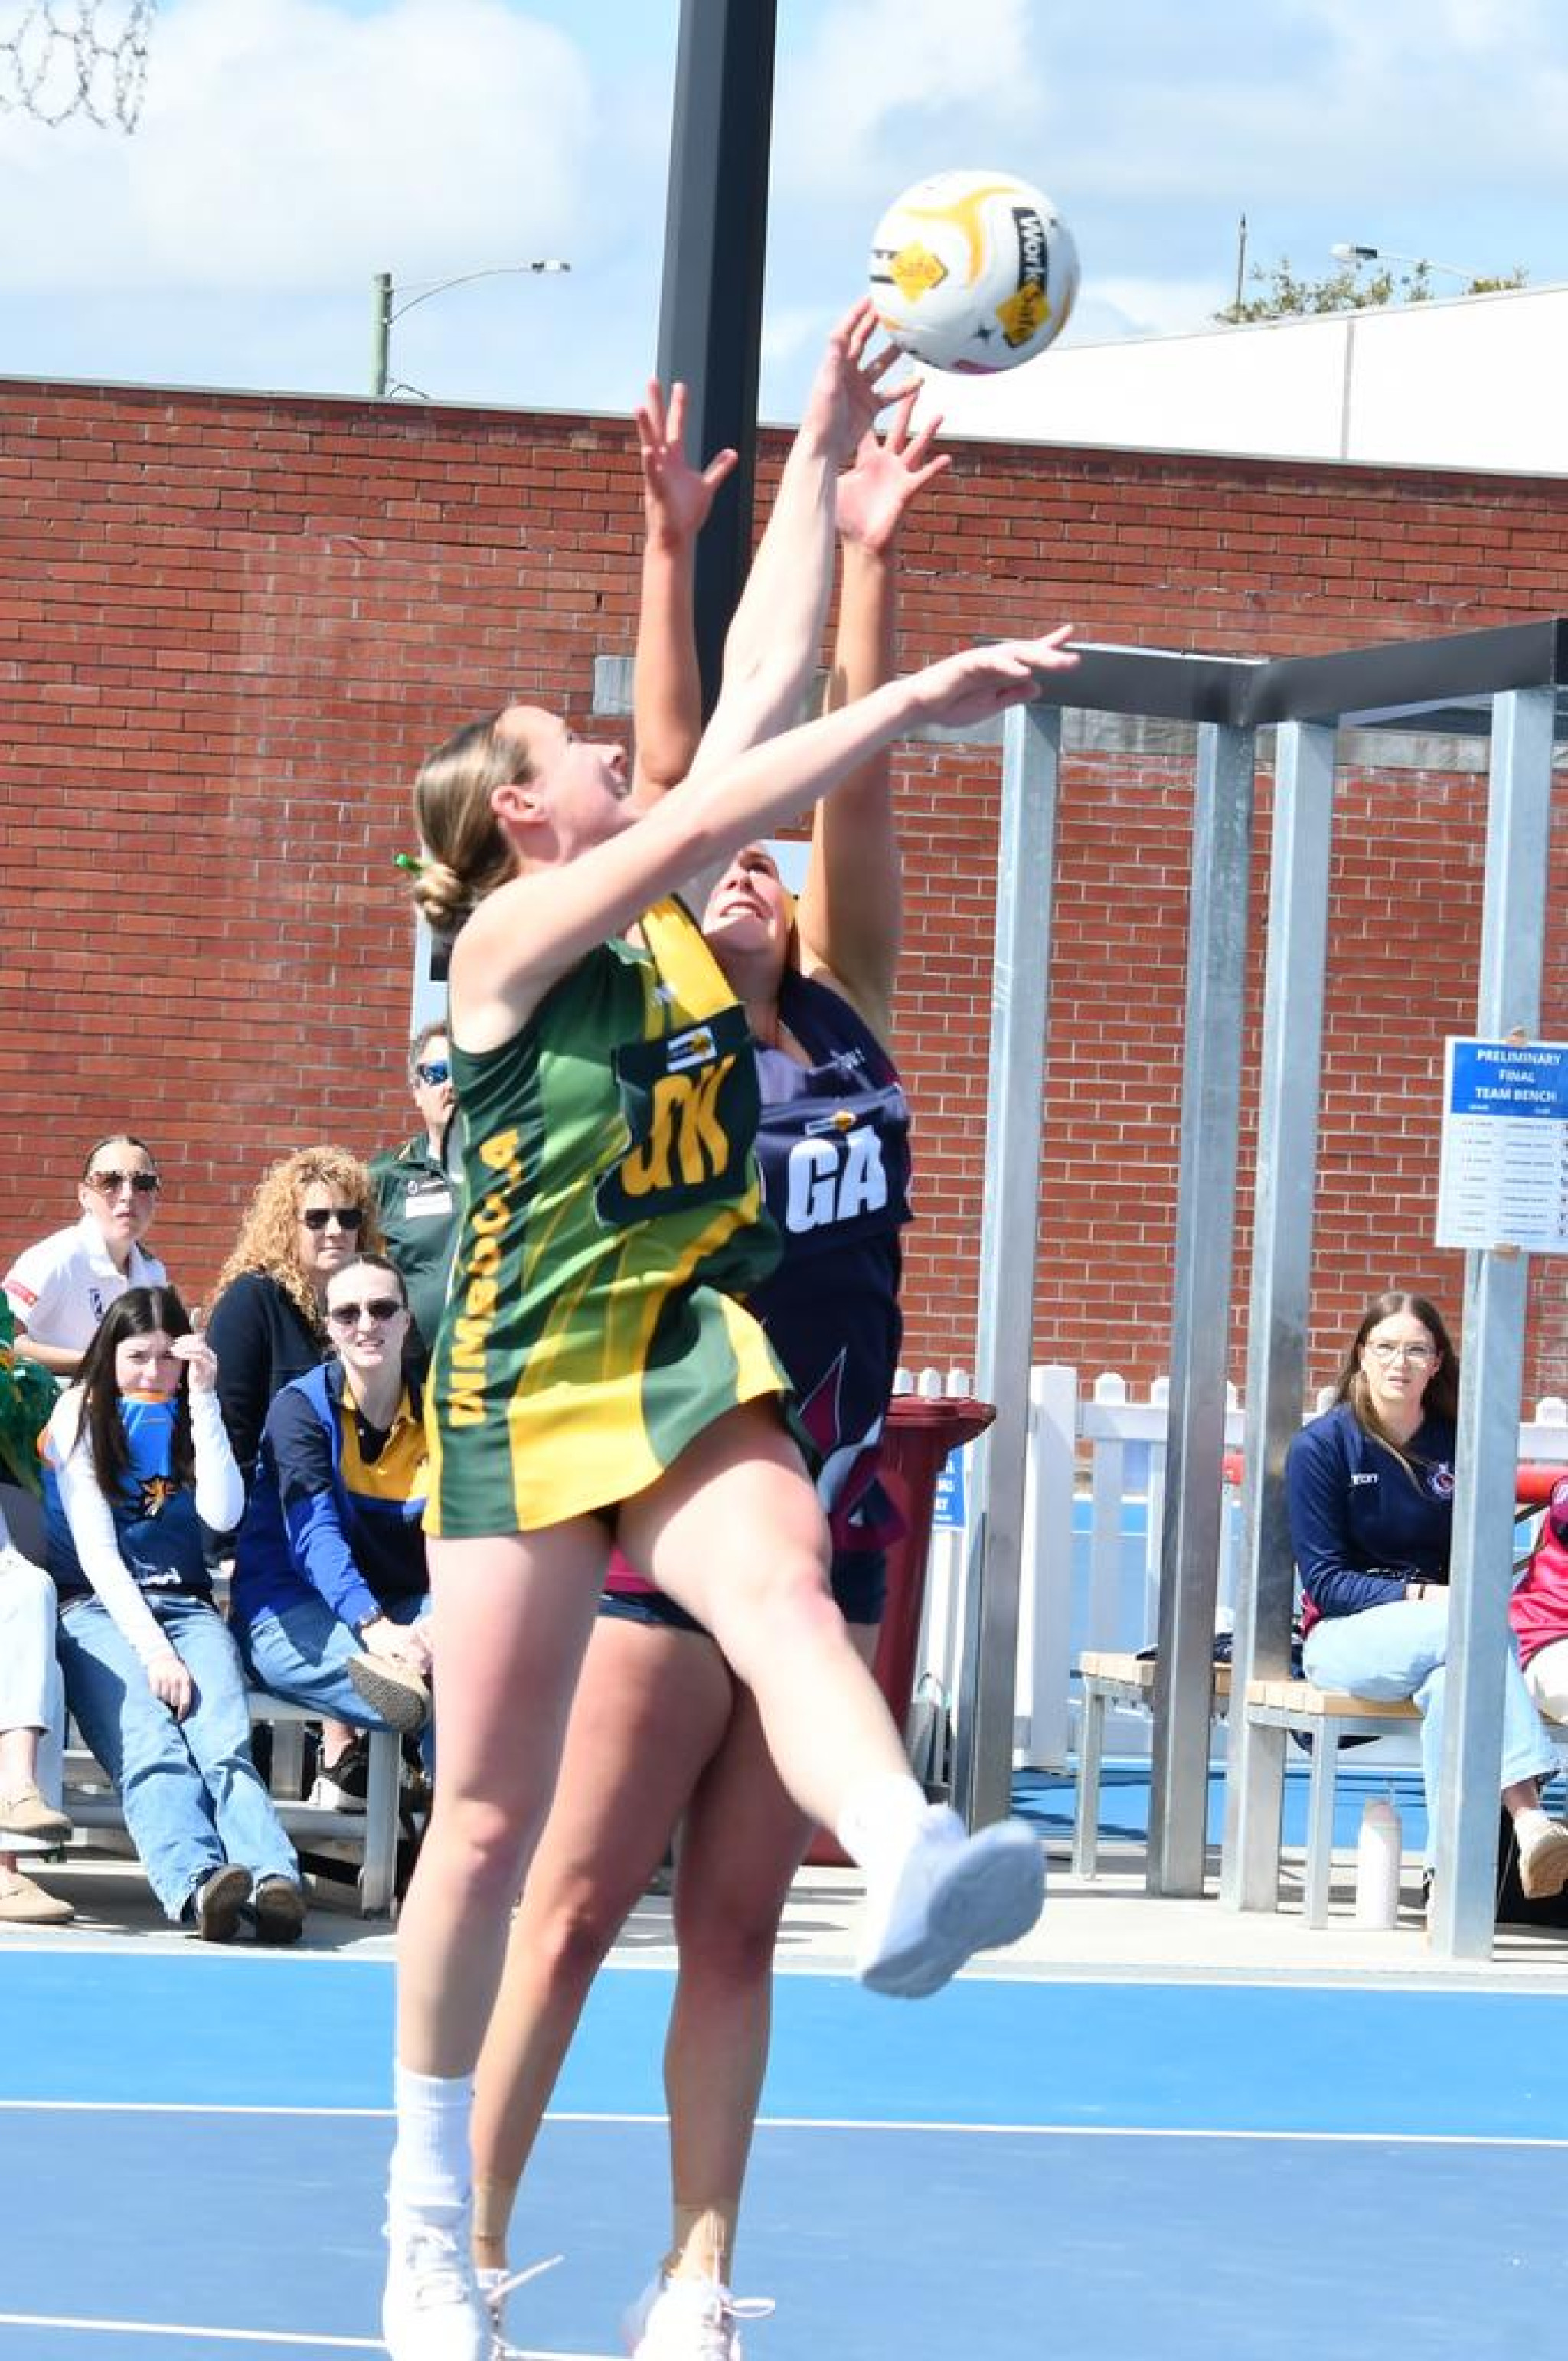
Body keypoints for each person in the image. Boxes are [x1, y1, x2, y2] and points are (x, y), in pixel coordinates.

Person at [379, 302, 1073, 2361]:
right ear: (523, 816)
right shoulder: (510, 946)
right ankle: (428, 2227)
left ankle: (913, 1853)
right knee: (491, 1829)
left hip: (677, 1350)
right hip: (522, 1378)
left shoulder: (695, 931)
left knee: (782, 1583)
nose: (618, 746)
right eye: (575, 746)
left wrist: (829, 436)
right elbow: (701, 796)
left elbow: (751, 693)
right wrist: (919, 688)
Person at [470, 391, 947, 2354]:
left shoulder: (849, 1008)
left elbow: (854, 777)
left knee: (741, 1924)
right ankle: (459, 2241)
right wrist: (670, 554)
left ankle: (691, 2278)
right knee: (578, 1907)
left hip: (835, 1505)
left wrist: (874, 553)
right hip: (686, 1494)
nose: (747, 873)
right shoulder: (670, 1034)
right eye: (720, 867)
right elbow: (680, 770)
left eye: (774, 870)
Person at [1288, 1288, 1568, 1909]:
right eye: (1386, 1347)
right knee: (1467, 1630)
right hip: (1345, 1635)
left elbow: (1484, 1555)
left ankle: (1447, 1884)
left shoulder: (1458, 1444)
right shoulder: (1323, 1446)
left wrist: (1448, 1600)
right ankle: (1530, 1817)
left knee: (1451, 1687)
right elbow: (1327, 1583)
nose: (1400, 1362)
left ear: (1437, 1362)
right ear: (1362, 1354)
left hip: (1445, 1640)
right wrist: (1420, 1594)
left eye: (1417, 1350)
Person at [45, 1285, 306, 1942]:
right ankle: (199, 1883)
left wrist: (205, 1400)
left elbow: (223, 1513)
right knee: (151, 1740)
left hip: (187, 1605)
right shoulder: (79, 1412)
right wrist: (156, 1654)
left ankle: (273, 1880)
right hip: (96, 1609)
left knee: (223, 1742)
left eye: (168, 1357)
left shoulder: (190, 1411)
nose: (154, 1372)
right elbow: (98, 1555)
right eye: (138, 1356)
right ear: (109, 1355)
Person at [207, 1146, 387, 1803]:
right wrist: (228, 1540)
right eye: (317, 1218)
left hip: (355, 1519)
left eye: (349, 1216)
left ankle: (353, 1761)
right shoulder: (253, 1302)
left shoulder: (371, 1306)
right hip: (273, 1523)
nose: (335, 1230)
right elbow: (228, 1432)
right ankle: (341, 1752)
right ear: (287, 1224)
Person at [232, 1252, 433, 1741]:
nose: (366, 1325)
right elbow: (315, 1536)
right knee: (457, 1686)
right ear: (329, 1328)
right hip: (291, 1609)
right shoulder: (299, 1410)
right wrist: (373, 1625)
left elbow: (467, 1538)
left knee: (481, 1656)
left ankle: (415, 1761)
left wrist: (438, 1624)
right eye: (347, 1313)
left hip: (407, 1608)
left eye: (382, 1309)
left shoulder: (440, 1413)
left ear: (406, 1320)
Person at [3, 1135, 167, 1376]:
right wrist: (95, 1362)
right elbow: (4, 1341)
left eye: (143, 1183)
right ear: (84, 1195)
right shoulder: (56, 1258)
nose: (127, 1195)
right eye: (110, 1181)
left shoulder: (153, 1273)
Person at [370, 1022, 463, 1364]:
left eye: (463, 1071)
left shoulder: (517, 1170)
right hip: (414, 1375)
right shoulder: (384, 1177)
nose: (451, 1085)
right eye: (437, 1073)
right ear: (417, 1090)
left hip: (501, 1372)